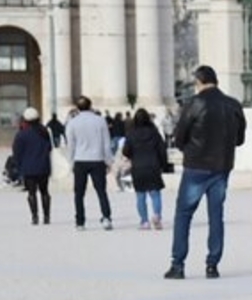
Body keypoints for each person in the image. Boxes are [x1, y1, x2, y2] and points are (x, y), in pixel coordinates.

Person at [163, 65, 246, 279]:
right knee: (216, 216)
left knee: (184, 214)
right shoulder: (232, 104)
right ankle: (212, 264)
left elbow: (179, 136)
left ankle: (178, 264)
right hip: (221, 166)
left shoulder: (194, 103)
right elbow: (239, 139)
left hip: (196, 166)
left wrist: (190, 149)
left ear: (199, 82)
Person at [63, 96, 115, 230]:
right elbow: (106, 143)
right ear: (90, 106)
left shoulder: (72, 123)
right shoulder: (100, 121)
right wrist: (109, 161)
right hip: (97, 159)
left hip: (80, 160)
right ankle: (106, 217)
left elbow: (71, 145)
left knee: (79, 193)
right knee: (101, 191)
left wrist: (71, 162)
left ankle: (80, 222)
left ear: (77, 108)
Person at [122, 108, 168, 230]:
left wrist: (132, 155)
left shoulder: (131, 134)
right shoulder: (154, 133)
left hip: (138, 166)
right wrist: (163, 165)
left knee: (140, 195)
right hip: (153, 165)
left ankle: (144, 221)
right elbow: (162, 150)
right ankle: (157, 216)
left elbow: (125, 151)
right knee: (155, 194)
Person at [12, 107, 52, 225]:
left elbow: (17, 152)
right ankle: (47, 216)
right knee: (44, 191)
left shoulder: (21, 134)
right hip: (43, 166)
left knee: (31, 193)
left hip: (28, 168)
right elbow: (49, 148)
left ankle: (35, 217)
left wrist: (19, 167)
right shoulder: (44, 132)